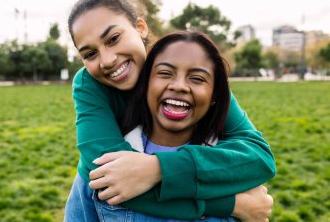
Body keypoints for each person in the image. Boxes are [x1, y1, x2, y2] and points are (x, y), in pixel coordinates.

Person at [64, 0, 275, 221]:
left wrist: (157, 169)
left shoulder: (180, 66)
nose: (107, 60)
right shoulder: (89, 85)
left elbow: (259, 156)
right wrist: (229, 204)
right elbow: (111, 178)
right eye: (90, 54)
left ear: (141, 28)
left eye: (113, 38)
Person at [90, 30, 256, 221]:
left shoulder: (238, 172)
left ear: (214, 96)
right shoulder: (103, 165)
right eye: (165, 73)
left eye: (197, 78)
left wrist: (157, 169)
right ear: (145, 84)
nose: (178, 86)